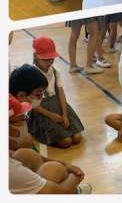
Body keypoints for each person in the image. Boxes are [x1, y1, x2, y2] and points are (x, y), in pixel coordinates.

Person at [9, 64, 91, 194]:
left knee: (27, 154)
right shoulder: (11, 170)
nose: (25, 122)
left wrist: (66, 165)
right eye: (22, 119)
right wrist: (76, 176)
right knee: (55, 169)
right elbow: (61, 190)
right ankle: (76, 192)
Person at [28, 37, 84, 148]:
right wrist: (51, 115)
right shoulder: (31, 75)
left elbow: (61, 93)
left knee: (77, 138)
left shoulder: (55, 71)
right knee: (66, 142)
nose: (49, 62)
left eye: (51, 59)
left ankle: (62, 131)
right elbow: (32, 104)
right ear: (35, 56)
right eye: (45, 60)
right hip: (42, 111)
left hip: (58, 106)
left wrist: (65, 114)